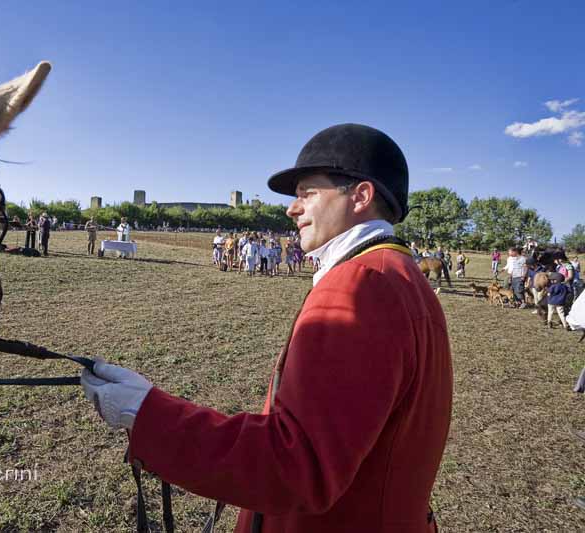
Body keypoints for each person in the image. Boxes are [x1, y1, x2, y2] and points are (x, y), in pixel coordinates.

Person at [81, 123, 452, 532]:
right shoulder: (402, 275)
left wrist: (147, 412)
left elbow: (297, 465)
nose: (292, 209)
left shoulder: (360, 283)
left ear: (361, 196)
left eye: (308, 193)